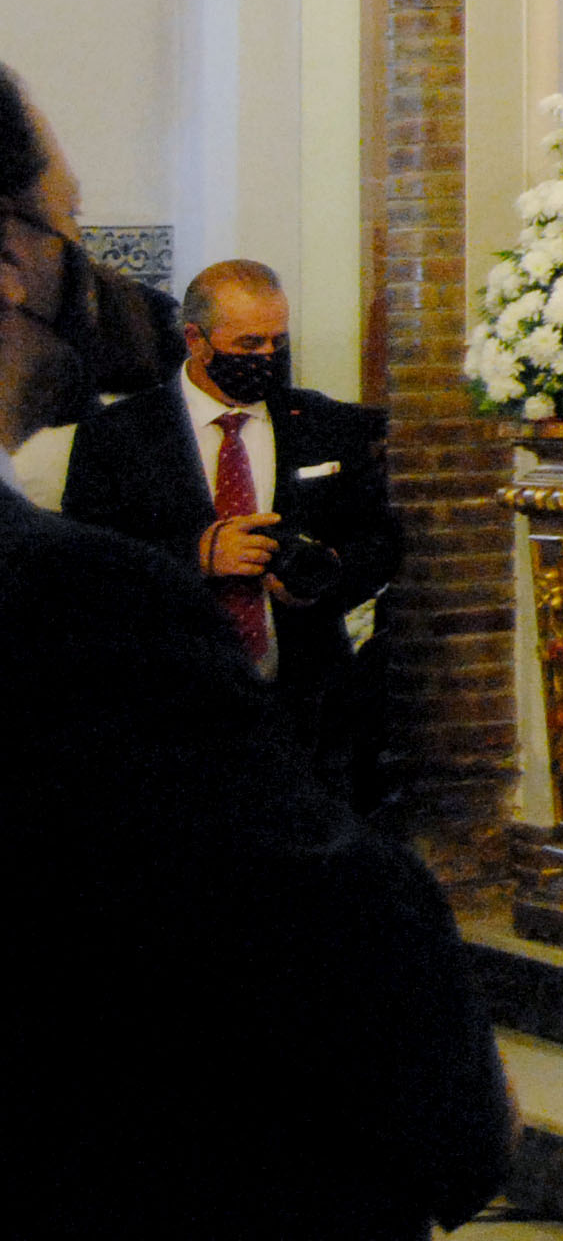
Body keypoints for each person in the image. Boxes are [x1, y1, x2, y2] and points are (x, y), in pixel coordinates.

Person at [0, 63, 511, 1239]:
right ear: (12, 259)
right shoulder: (76, 602)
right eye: (70, 225)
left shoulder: (319, 429)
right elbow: (324, 948)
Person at [66, 257, 402, 803]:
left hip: (306, 709)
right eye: (248, 344)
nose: (266, 357)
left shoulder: (323, 425)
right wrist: (195, 556)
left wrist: (329, 573)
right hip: (167, 708)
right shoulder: (118, 436)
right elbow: (83, 568)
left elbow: (381, 541)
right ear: (196, 340)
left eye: (277, 341)